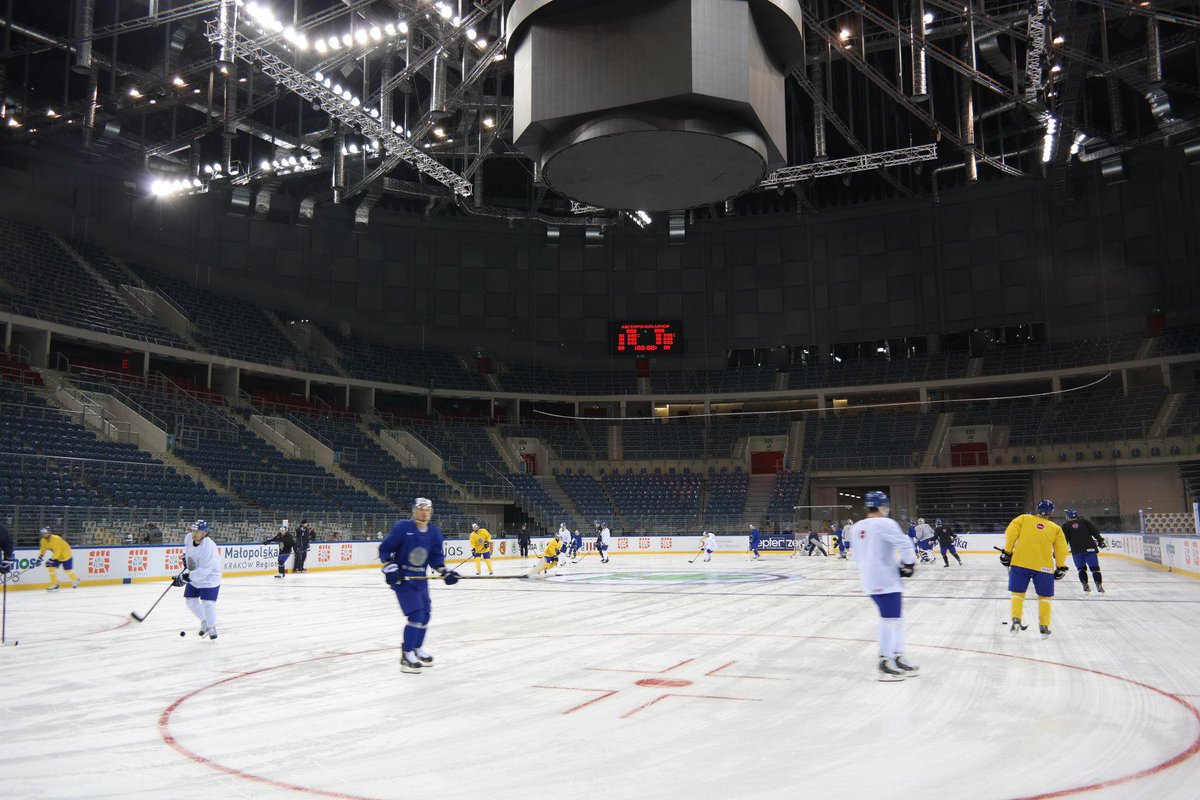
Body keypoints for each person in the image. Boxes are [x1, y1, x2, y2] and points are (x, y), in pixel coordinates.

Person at [846, 491, 918, 681]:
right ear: (882, 506)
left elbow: (856, 555)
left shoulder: (857, 527)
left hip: (869, 580)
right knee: (890, 619)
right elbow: (905, 544)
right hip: (886, 580)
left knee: (897, 618)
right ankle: (886, 660)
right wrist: (908, 565)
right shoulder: (885, 523)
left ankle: (898, 655)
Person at [380, 498, 456, 673]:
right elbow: (385, 549)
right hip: (403, 579)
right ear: (414, 511)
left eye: (427, 509)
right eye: (420, 509)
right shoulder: (402, 528)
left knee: (426, 615)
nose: (424, 512)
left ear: (431, 512)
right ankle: (406, 654)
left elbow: (436, 558)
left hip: (420, 580)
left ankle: (417, 648)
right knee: (416, 615)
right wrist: (389, 566)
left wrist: (445, 571)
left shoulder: (434, 533)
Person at [1000, 500, 1068, 639]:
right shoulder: (1056, 528)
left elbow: (1011, 533)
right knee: (1044, 596)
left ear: (1037, 509)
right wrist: (1061, 566)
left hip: (1020, 562)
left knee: (1018, 593)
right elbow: (1061, 549)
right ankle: (1044, 626)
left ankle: (1016, 619)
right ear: (1051, 512)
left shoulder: (1023, 518)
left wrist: (1007, 551)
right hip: (1044, 567)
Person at [174, 520, 222, 640]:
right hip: (195, 573)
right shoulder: (188, 538)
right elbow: (188, 551)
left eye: (198, 531)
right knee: (190, 601)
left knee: (208, 603)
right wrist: (185, 558)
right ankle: (205, 621)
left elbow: (204, 571)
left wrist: (185, 578)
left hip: (210, 577)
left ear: (205, 533)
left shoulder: (209, 548)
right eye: (193, 531)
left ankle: (212, 627)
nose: (194, 534)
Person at [1062, 509, 1107, 593]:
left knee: (1081, 569)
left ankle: (1084, 584)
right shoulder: (1084, 522)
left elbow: (1064, 540)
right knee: (1095, 569)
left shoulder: (1065, 526)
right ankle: (1098, 584)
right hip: (1090, 549)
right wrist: (1100, 540)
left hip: (1076, 551)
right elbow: (1094, 532)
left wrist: (1060, 551)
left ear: (1067, 516)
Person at [35, 526, 80, 591]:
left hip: (65, 555)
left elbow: (58, 551)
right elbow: (42, 550)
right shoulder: (43, 541)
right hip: (56, 556)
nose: (44, 535)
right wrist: (39, 558)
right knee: (51, 569)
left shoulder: (56, 539)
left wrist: (51, 560)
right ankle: (55, 584)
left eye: (46, 533)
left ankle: (75, 580)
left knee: (67, 571)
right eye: (43, 533)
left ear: (49, 532)